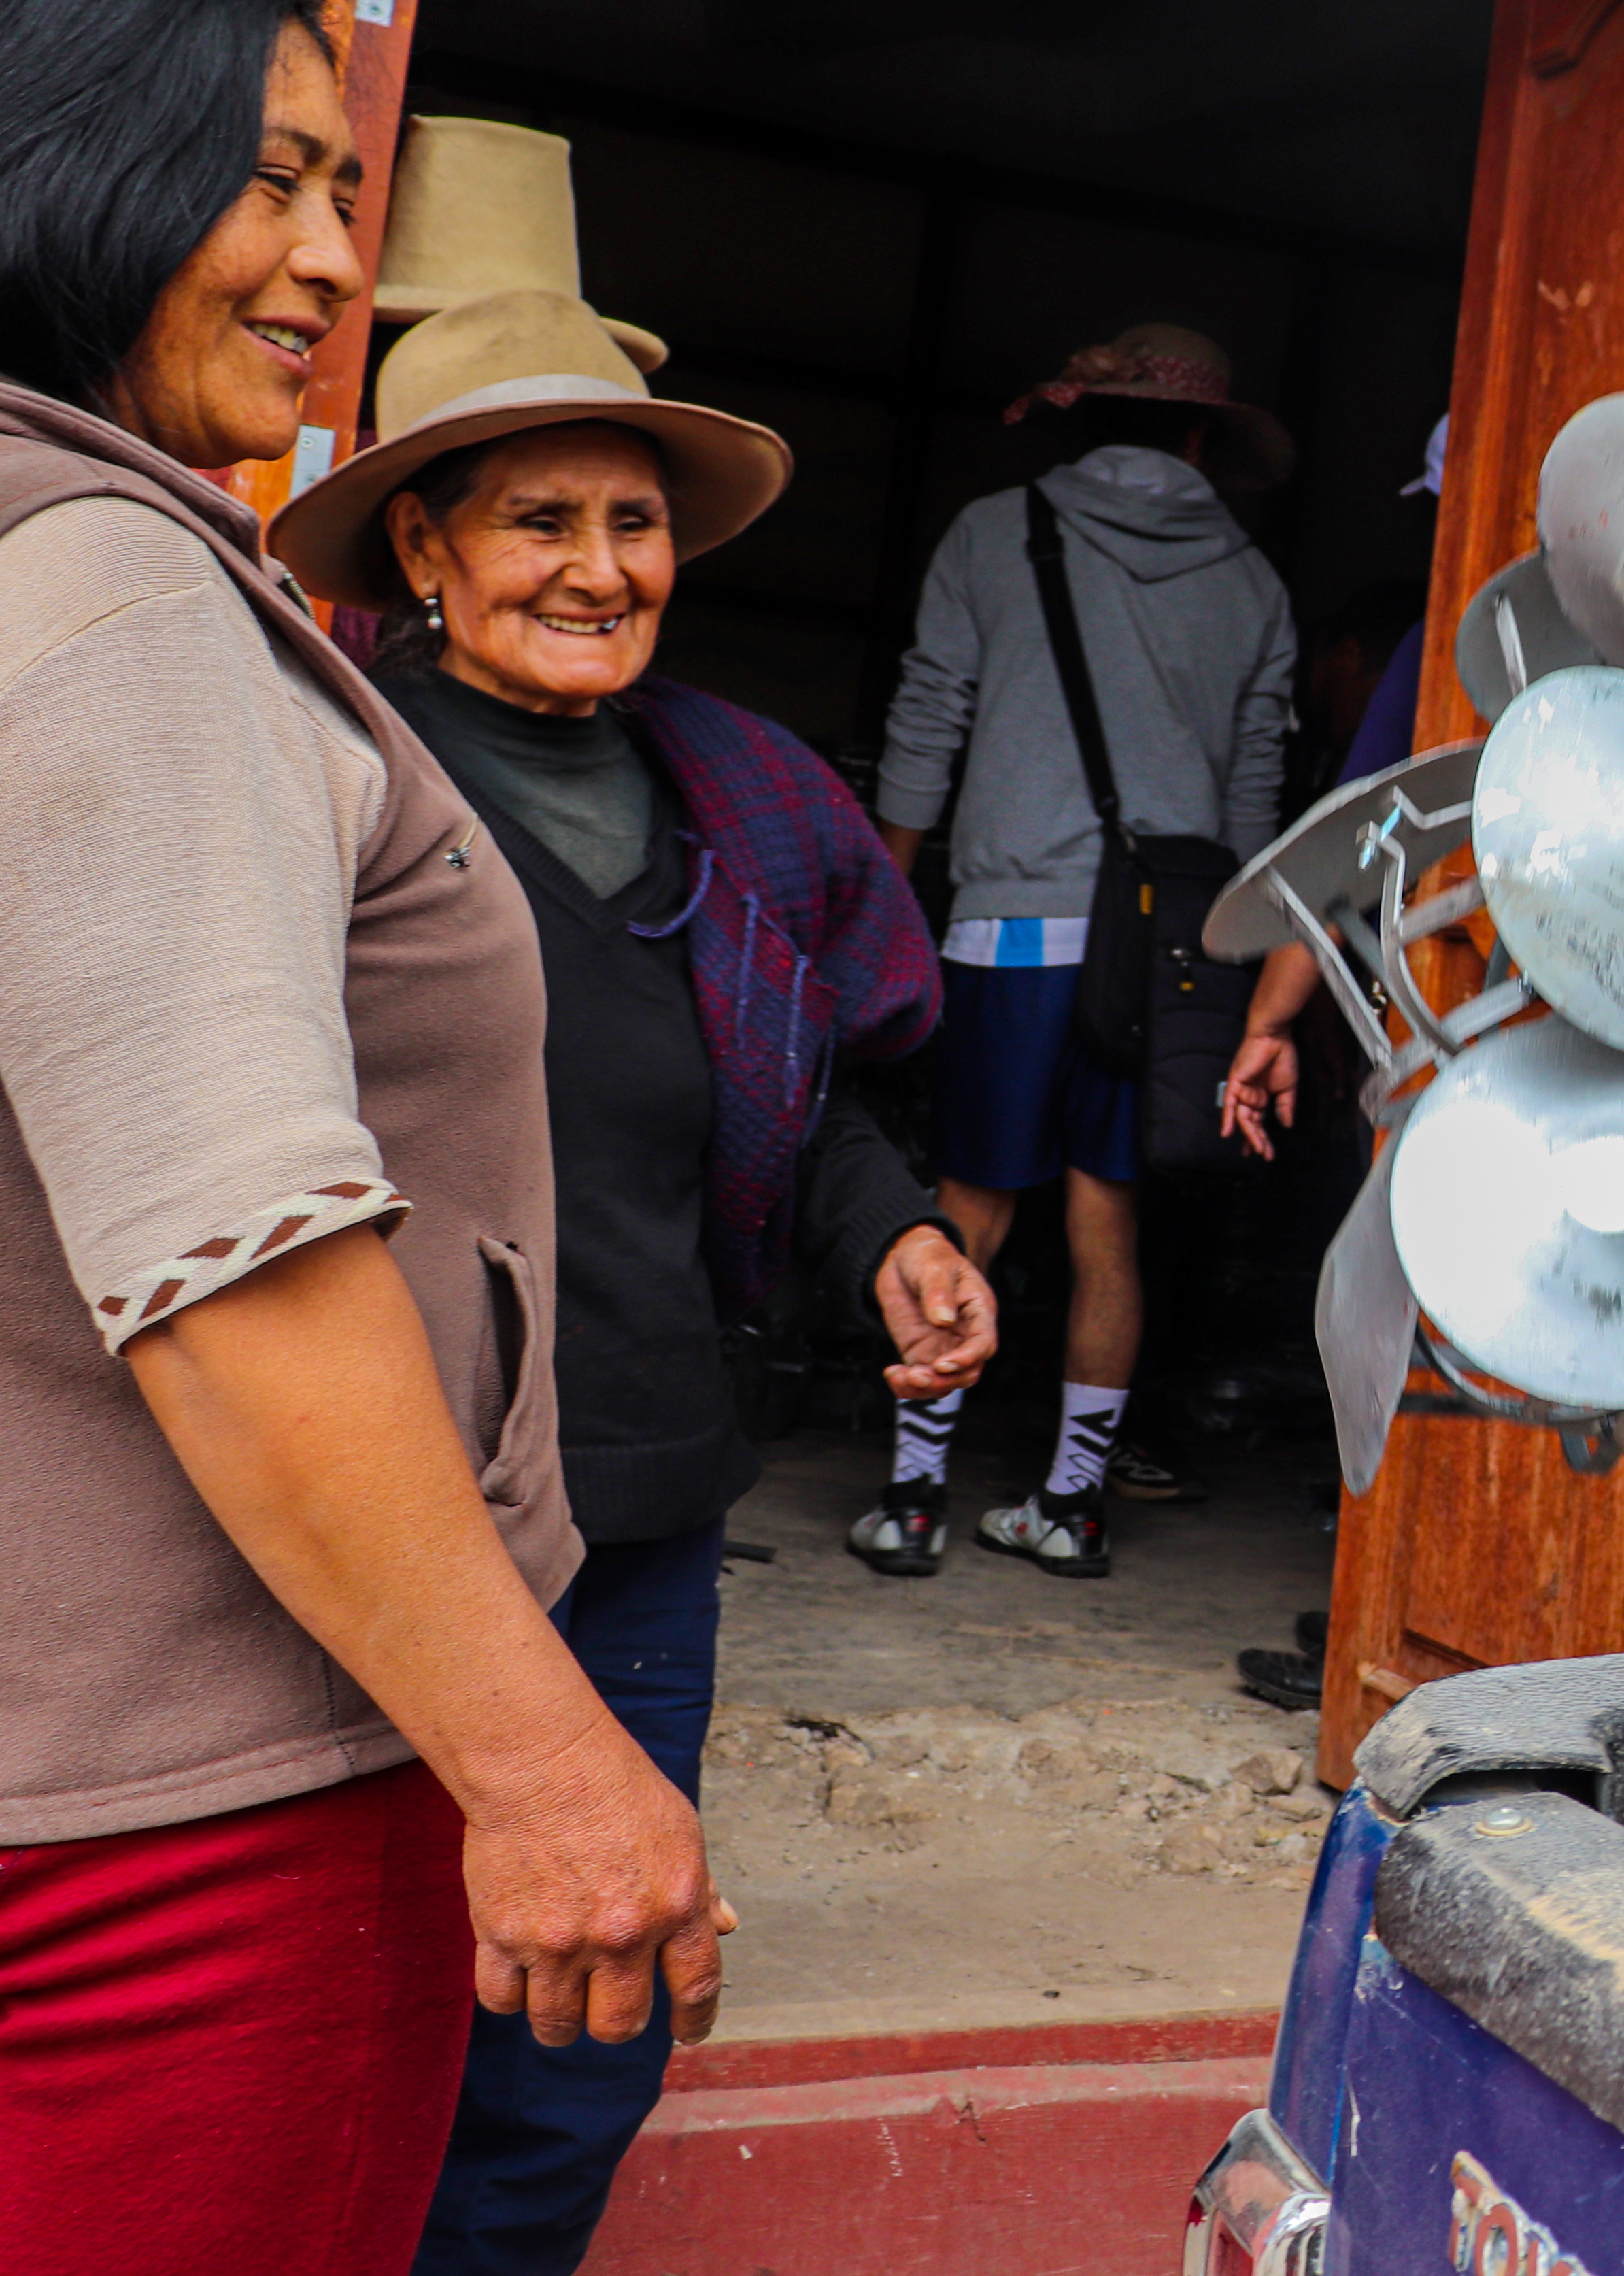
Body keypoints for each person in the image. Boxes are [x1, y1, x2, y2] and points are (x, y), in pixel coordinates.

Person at [0, 0, 719, 2266]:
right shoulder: (116, 598)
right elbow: (236, 1257)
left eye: (348, 197)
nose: (325, 255)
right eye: (275, 175)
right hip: (187, 1817)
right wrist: (543, 1765)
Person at [265, 289, 1002, 2274]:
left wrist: (894, 1231)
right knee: (336, 2006)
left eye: (633, 523)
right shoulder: (320, 776)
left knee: (583, 2031)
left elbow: (797, 1085)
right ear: (423, 548)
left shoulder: (735, 793)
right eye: (539, 523)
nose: (601, 572)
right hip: (369, 1503)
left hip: (644, 1505)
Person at [864, 324, 1296, 1580]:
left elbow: (928, 715)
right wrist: (1241, 970)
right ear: (1203, 439)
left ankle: (912, 1496)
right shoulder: (1256, 586)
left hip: (1007, 934)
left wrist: (884, 885)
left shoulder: (995, 535)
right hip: (1170, 959)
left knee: (971, 1213)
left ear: (1082, 420)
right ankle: (1071, 1505)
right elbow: (1257, 803)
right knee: (1110, 1226)